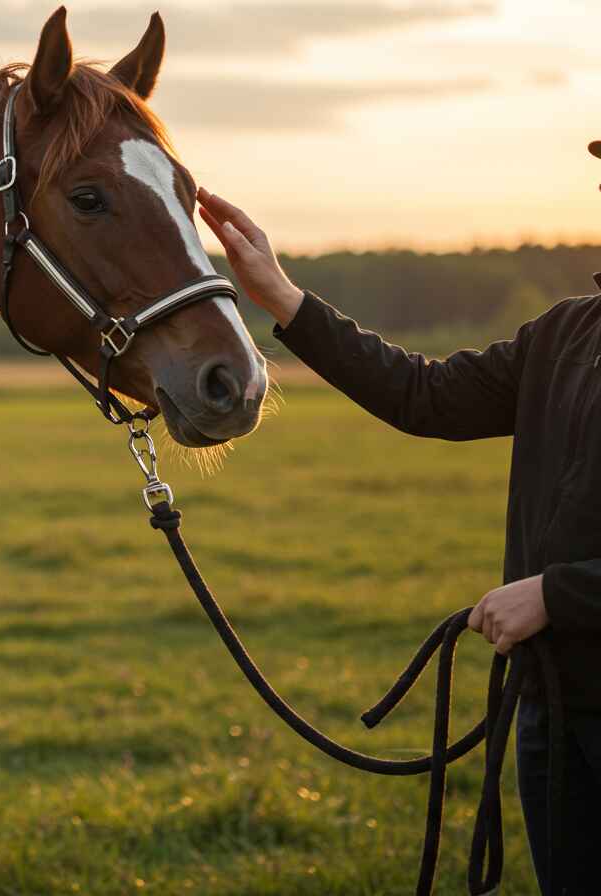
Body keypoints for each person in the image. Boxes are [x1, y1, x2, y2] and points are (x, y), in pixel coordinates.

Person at [196, 177, 601, 894]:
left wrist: (556, 594)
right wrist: (284, 299)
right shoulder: (569, 332)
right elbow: (427, 395)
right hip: (553, 707)